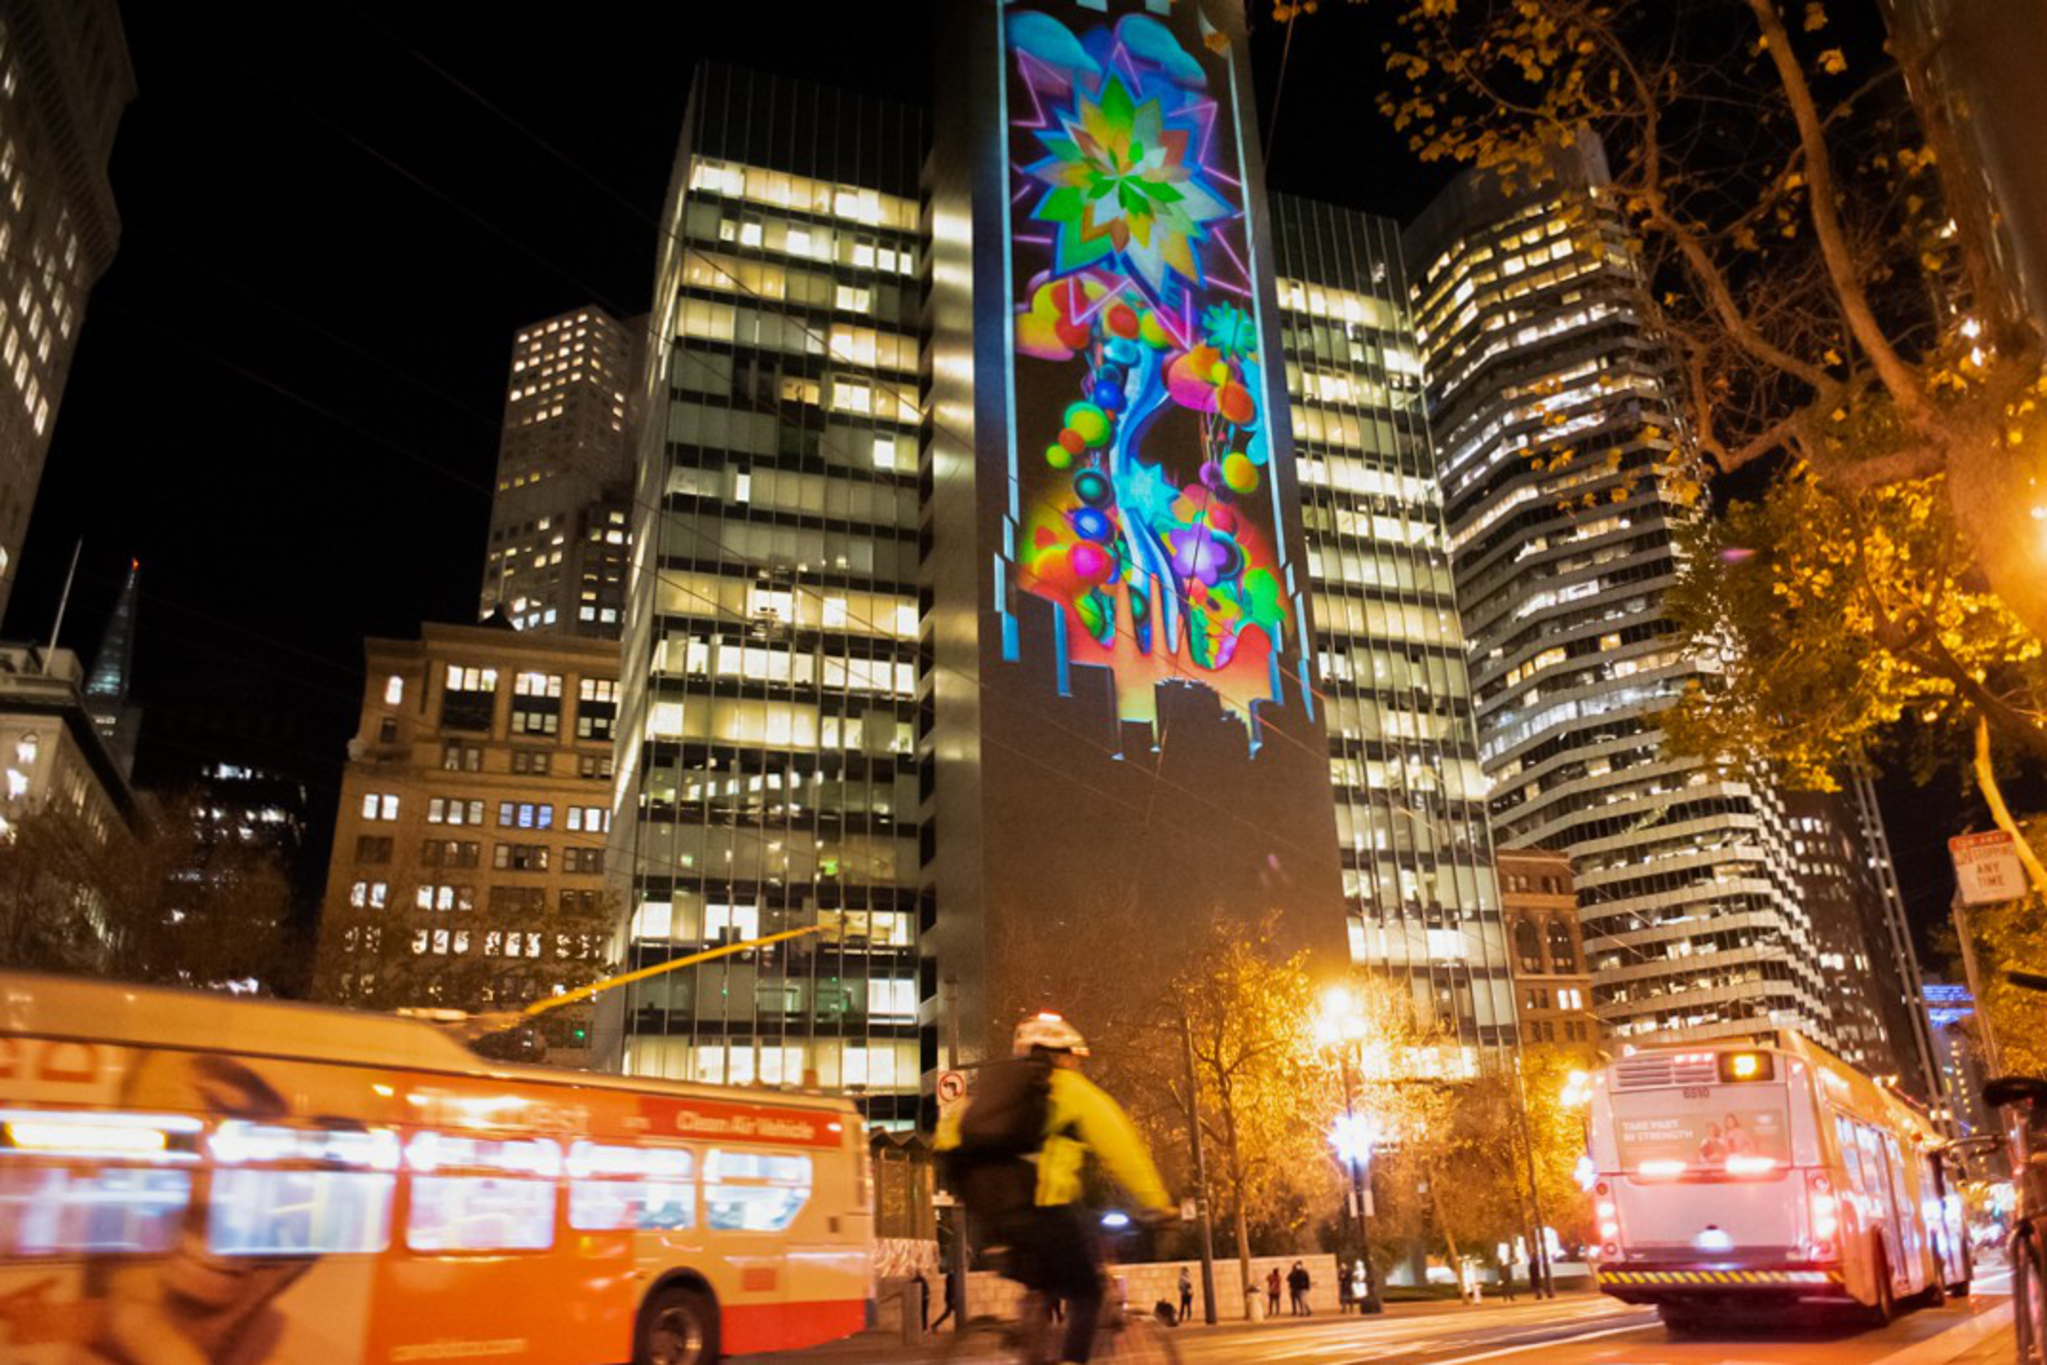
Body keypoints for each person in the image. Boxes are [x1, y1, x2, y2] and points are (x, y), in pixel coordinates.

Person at [936, 1013, 1174, 1365]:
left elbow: (947, 1141)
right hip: (1046, 1213)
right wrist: (1159, 1204)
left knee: (1045, 1285)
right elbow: (1124, 1150)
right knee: (1087, 1293)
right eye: (1073, 1057)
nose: (1076, 1065)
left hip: (997, 1222)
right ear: (1060, 1054)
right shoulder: (1071, 1091)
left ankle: (1031, 1345)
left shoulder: (992, 1101)